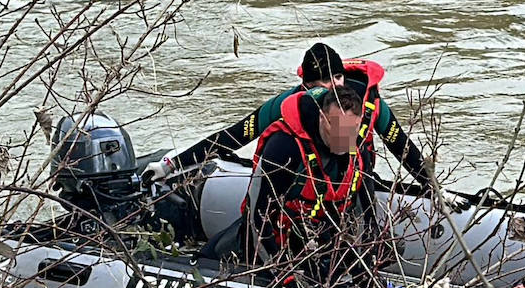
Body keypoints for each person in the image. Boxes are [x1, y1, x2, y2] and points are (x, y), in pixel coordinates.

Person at [144, 42, 432, 189]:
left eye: (326, 86)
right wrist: (170, 165)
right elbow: (233, 136)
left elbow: (402, 148)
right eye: (312, 88)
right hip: (305, 186)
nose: (318, 96)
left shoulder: (370, 102)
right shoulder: (290, 102)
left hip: (354, 184)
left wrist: (434, 189)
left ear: (340, 79)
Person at [245, 85, 380, 288]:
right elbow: (255, 216)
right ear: (321, 118)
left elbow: (366, 214)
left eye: (350, 131)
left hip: (324, 239)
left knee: (388, 248)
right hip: (280, 243)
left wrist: (367, 269)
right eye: (336, 129)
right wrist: (281, 272)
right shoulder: (283, 147)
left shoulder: (359, 152)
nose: (343, 140)